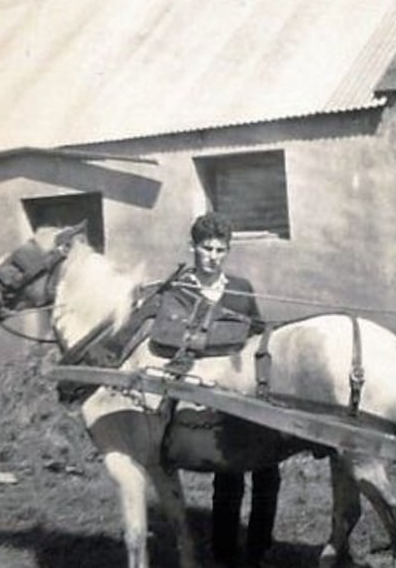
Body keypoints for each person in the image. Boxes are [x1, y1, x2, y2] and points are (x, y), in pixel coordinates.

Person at [178, 212, 280, 564]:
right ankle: (225, 551)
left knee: (268, 470)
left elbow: (258, 334)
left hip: (247, 389)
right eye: (207, 248)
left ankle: (259, 547)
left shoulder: (240, 289)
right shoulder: (180, 290)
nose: (213, 256)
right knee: (228, 474)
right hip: (206, 392)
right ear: (193, 247)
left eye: (221, 250)